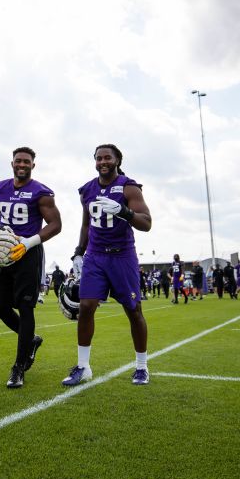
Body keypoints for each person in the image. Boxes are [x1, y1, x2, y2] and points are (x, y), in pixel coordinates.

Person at [63, 143, 154, 387]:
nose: (102, 162)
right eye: (98, 158)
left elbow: (146, 223)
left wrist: (124, 212)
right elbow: (86, 225)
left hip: (122, 255)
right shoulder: (88, 189)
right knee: (86, 306)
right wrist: (78, 252)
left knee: (133, 310)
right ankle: (83, 367)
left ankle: (142, 366)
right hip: (95, 255)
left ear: (117, 160)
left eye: (107, 158)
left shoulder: (129, 186)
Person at [0, 146, 62, 388]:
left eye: (27, 161)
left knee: (26, 307)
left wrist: (28, 243)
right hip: (3, 254)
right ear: (12, 163)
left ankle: (18, 367)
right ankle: (31, 341)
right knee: (0, 306)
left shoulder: (41, 192)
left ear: (33, 165)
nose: (22, 164)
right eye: (18, 161)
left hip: (28, 253)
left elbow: (55, 224)